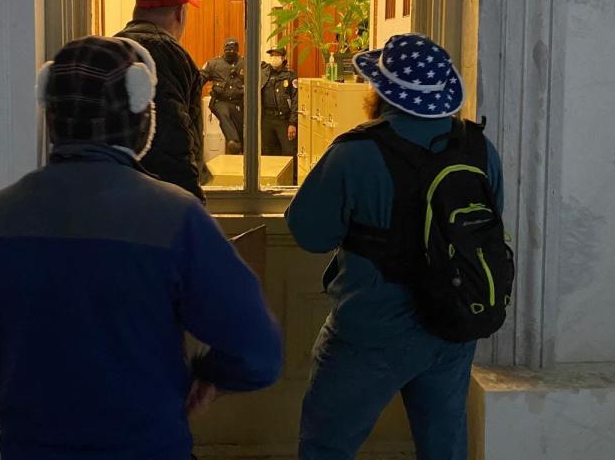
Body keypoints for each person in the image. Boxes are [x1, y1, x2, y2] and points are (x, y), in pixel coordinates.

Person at [0, 36, 284, 460]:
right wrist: (208, 377)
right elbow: (256, 349)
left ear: (52, 118)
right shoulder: (175, 216)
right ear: (141, 117)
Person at [286, 34, 505, 460]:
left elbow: (310, 235)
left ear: (380, 91)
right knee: (443, 447)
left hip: (369, 330)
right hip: (453, 326)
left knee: (326, 447)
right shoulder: (480, 149)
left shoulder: (355, 152)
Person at [116, 0, 208, 200]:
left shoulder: (112, 48)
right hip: (160, 203)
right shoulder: (170, 55)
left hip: (115, 196)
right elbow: (175, 138)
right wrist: (193, 206)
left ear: (136, 9)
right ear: (180, 13)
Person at [200, 38, 245, 154]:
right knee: (224, 115)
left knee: (241, 131)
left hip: (238, 102)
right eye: (228, 49)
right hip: (220, 101)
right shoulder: (214, 64)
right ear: (224, 50)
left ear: (237, 51)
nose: (230, 52)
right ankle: (233, 142)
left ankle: (239, 148)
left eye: (233, 50)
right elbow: (201, 78)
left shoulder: (245, 63)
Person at [260, 48, 298, 158]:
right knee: (267, 152)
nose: (273, 58)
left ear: (283, 58)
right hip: (267, 119)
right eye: (271, 55)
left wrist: (292, 123)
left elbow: (296, 100)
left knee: (289, 152)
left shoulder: (290, 76)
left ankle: (291, 175)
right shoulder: (265, 74)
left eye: (276, 56)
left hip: (284, 120)